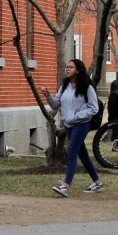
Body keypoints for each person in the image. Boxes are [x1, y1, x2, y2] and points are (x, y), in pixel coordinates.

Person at [39, 59, 104, 197]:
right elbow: (55, 105)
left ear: (78, 70)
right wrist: (48, 96)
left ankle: (65, 186)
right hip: (68, 125)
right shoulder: (64, 86)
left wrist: (76, 116)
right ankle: (97, 182)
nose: (67, 69)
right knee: (83, 155)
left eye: (71, 67)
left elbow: (94, 108)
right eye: (66, 67)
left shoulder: (87, 87)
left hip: (81, 124)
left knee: (71, 152)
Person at [107, 79, 118, 146]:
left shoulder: (113, 96)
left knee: (116, 132)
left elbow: (111, 108)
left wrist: (110, 118)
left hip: (115, 117)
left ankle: (117, 145)